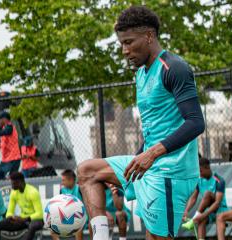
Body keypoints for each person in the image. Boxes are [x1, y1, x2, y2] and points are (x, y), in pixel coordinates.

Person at [77, 5, 205, 240]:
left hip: (171, 172)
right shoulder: (140, 74)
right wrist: (136, 162)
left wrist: (151, 154)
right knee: (87, 172)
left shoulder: (174, 68)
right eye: (121, 44)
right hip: (150, 166)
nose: (124, 50)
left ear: (149, 36)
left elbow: (196, 122)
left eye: (129, 42)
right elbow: (153, 128)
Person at [182, 157, 229, 239]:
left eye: (200, 171)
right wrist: (186, 210)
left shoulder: (219, 180)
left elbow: (217, 203)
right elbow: (193, 198)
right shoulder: (199, 180)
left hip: (220, 211)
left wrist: (202, 215)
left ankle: (193, 220)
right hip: (208, 212)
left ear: (207, 168)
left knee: (207, 195)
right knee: (201, 219)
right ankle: (196, 224)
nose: (199, 173)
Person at [0, 172, 43, 240]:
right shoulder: (14, 192)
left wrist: (25, 219)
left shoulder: (33, 192)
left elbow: (40, 214)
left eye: (13, 184)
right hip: (22, 220)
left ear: (20, 182)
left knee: (32, 226)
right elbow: (9, 211)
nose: (12, 186)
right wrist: (11, 217)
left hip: (35, 220)